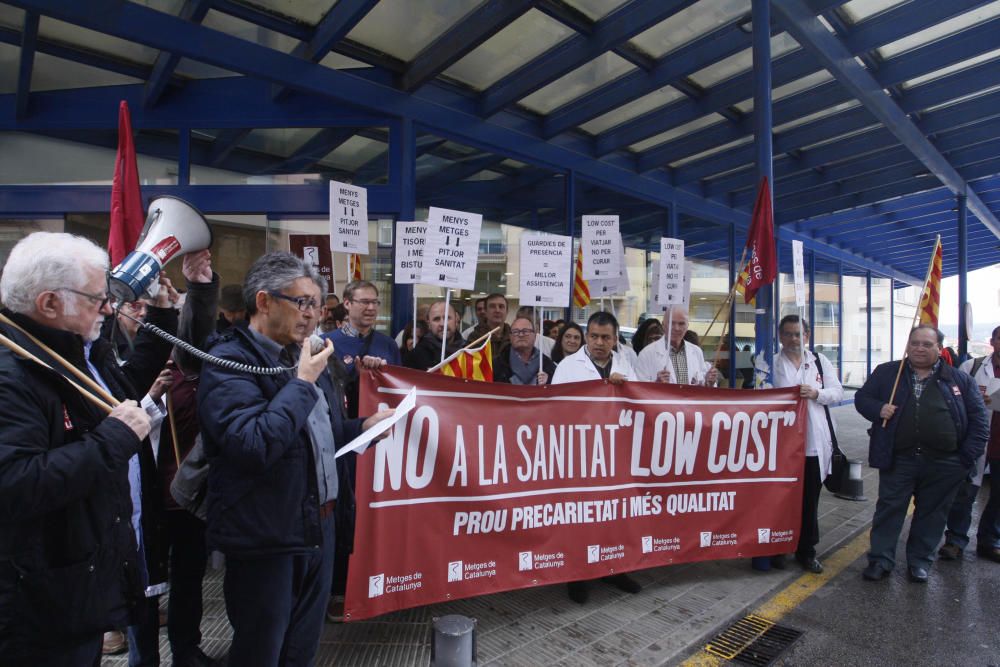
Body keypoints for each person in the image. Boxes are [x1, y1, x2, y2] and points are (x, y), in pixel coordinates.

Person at [198, 252, 392, 666]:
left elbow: (316, 438)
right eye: (301, 302)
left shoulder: (303, 356)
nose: (311, 314)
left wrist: (362, 427)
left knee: (302, 646)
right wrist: (303, 382)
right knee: (262, 648)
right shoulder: (229, 361)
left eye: (316, 305)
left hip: (317, 526)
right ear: (264, 302)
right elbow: (252, 445)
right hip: (266, 535)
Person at [0, 232, 170, 667]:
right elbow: (14, 483)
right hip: (35, 607)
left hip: (73, 590)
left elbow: (128, 383)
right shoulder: (11, 373)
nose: (110, 308)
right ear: (50, 303)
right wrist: (114, 438)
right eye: (97, 298)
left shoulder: (66, 351)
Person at [854, 325, 988, 583]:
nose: (919, 348)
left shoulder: (959, 380)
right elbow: (862, 398)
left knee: (932, 514)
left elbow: (979, 425)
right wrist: (879, 408)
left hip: (944, 463)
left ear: (939, 347)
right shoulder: (888, 373)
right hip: (899, 458)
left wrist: (963, 460)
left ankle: (919, 562)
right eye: (914, 343)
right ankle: (881, 560)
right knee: (889, 509)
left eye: (927, 344)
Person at [321, 280, 400, 623]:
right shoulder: (329, 344)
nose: (370, 308)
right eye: (364, 302)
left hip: (381, 441)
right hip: (344, 441)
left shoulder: (387, 344)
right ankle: (338, 589)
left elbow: (400, 385)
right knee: (345, 514)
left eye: (375, 303)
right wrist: (356, 374)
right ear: (348, 304)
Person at [551, 311, 639, 602]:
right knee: (581, 517)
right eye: (594, 336)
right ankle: (577, 576)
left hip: (617, 454)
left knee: (614, 514)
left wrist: (624, 387)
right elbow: (556, 408)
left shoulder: (627, 365)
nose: (599, 342)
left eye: (606, 337)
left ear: (615, 339)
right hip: (581, 454)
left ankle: (616, 568)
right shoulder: (568, 366)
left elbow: (640, 404)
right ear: (586, 336)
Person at [772, 315, 843, 573]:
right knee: (779, 500)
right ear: (780, 337)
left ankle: (806, 550)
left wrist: (817, 393)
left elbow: (838, 392)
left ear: (807, 336)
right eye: (788, 334)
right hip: (780, 446)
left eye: (798, 334)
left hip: (813, 443)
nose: (793, 339)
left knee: (809, 501)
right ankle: (778, 546)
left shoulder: (820, 363)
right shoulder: (769, 362)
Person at [939, 325, 1000, 563]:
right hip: (975, 440)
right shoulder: (971, 367)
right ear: (993, 341)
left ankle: (989, 540)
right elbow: (952, 399)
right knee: (965, 493)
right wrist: (974, 399)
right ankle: (955, 540)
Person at [634, 306, 718, 386]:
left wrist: (708, 383)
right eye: (671, 323)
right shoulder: (646, 354)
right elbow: (639, 390)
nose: (676, 328)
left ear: (687, 326)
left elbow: (702, 384)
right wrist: (656, 384)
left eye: (681, 324)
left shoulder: (696, 351)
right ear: (663, 325)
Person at [404, 301, 465, 371]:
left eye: (447, 318)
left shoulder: (469, 351)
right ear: (429, 324)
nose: (442, 324)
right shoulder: (415, 356)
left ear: (456, 321)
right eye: (436, 319)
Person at [493, 316, 556, 385]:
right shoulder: (496, 365)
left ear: (535, 335)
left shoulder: (548, 366)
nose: (521, 335)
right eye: (516, 332)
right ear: (510, 336)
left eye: (525, 331)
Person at [469, 293, 511, 359]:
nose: (497, 310)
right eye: (492, 306)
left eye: (501, 306)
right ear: (485, 311)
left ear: (507, 311)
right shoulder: (475, 338)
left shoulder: (514, 336)